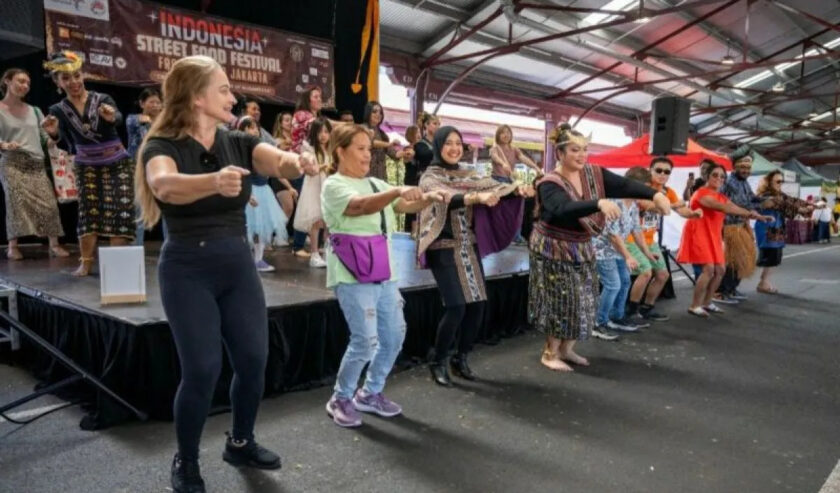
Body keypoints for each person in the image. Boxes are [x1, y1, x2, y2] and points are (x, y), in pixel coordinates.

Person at [137, 55, 310, 492]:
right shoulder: (163, 147)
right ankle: (187, 459)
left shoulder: (236, 141)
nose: (233, 96)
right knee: (202, 370)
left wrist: (297, 161)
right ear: (197, 97)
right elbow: (163, 186)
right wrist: (212, 182)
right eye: (224, 89)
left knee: (253, 361)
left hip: (235, 266)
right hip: (187, 269)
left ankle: (240, 441)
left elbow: (274, 160)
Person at [321, 124, 445, 427]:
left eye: (368, 149)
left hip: (384, 272)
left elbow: (403, 203)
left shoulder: (376, 183)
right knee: (365, 341)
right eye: (361, 148)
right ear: (340, 151)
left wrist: (429, 198)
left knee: (393, 336)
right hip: (352, 275)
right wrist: (397, 190)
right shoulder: (334, 185)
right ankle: (340, 397)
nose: (367, 155)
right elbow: (360, 207)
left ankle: (370, 392)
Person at [530, 123, 669, 372]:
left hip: (581, 247)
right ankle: (550, 352)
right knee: (560, 301)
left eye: (585, 149)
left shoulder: (593, 173)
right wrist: (599, 203)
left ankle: (566, 349)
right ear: (560, 153)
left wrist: (654, 195)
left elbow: (625, 185)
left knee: (583, 300)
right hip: (554, 249)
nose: (582, 155)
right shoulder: (549, 182)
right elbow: (561, 208)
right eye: (575, 150)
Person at [416, 126, 532, 385]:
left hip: (469, 245)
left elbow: (493, 184)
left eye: (458, 143)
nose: (455, 148)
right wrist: (475, 197)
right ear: (438, 146)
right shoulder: (430, 176)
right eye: (448, 143)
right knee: (456, 305)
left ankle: (461, 358)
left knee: (478, 304)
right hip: (442, 245)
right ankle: (438, 360)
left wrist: (517, 190)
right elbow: (447, 197)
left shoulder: (469, 173)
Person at [41, 51, 135, 276]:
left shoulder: (102, 99)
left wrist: (111, 117)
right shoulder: (57, 110)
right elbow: (63, 142)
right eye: (66, 78)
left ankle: (117, 263)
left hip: (117, 162)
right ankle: (86, 263)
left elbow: (119, 119)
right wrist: (53, 134)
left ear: (82, 75)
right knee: (88, 212)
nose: (73, 82)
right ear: (57, 82)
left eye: (76, 75)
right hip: (86, 165)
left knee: (121, 210)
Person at [678, 163, 772, 317]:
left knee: (720, 270)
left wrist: (758, 215)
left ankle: (707, 302)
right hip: (699, 233)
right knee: (708, 270)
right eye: (715, 175)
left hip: (713, 234)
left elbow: (733, 206)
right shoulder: (701, 193)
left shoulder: (721, 195)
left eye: (722, 176)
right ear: (707, 176)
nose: (719, 178)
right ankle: (694, 305)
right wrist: (750, 214)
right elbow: (725, 208)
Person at [0, 68, 67, 260]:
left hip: (36, 164)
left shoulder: (35, 111)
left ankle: (54, 244)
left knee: (49, 205)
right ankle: (13, 246)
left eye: (27, 83)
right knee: (15, 202)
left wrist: (54, 133)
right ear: (7, 81)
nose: (25, 86)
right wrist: (4, 144)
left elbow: (47, 140)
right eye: (20, 81)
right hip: (12, 162)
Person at [625, 157, 700, 323]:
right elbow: (648, 205)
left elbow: (682, 210)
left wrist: (694, 214)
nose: (662, 174)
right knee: (645, 273)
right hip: (631, 238)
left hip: (650, 240)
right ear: (650, 170)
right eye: (658, 170)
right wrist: (673, 206)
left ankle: (647, 308)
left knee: (662, 275)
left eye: (667, 172)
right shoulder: (643, 187)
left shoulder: (667, 191)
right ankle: (631, 311)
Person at [590, 166, 653, 340]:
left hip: (617, 250)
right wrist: (628, 256)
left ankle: (616, 317)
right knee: (613, 285)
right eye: (644, 186)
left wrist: (647, 253)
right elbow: (613, 234)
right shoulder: (614, 201)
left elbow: (636, 230)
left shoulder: (632, 204)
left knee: (625, 282)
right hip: (602, 250)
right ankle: (598, 323)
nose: (646, 191)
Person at [234, 116, 289, 272]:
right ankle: (243, 259)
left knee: (261, 227)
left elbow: (274, 169)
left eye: (256, 127)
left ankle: (258, 258)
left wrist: (289, 186)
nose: (255, 130)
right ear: (242, 131)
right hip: (250, 189)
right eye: (250, 127)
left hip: (264, 191)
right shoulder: (241, 151)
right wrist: (246, 193)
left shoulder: (262, 149)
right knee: (246, 227)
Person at [718, 146, 768, 303]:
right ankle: (720, 292)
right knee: (732, 261)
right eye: (743, 166)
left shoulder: (745, 183)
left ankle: (731, 289)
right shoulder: (727, 182)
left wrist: (769, 201)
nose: (746, 170)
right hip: (729, 227)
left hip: (741, 226)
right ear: (735, 166)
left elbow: (751, 199)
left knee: (741, 261)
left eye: (748, 167)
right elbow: (723, 203)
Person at [753, 170, 813, 294]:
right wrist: (803, 208)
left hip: (776, 228)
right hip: (767, 228)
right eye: (778, 181)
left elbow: (792, 202)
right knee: (770, 257)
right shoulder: (766, 195)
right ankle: (763, 283)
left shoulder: (780, 194)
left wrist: (809, 206)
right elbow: (785, 205)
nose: (780, 183)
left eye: (782, 181)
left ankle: (764, 282)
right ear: (769, 182)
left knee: (775, 258)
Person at [127, 87, 162, 245]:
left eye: (158, 102)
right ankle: (136, 249)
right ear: (142, 103)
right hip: (139, 171)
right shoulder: (133, 119)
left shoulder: (165, 121)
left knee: (168, 209)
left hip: (161, 169)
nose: (155, 105)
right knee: (139, 211)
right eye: (151, 102)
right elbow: (142, 130)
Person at [294, 118, 331, 267]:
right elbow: (311, 171)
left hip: (327, 186)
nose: (323, 135)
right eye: (320, 132)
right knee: (315, 221)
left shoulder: (330, 149)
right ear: (314, 133)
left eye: (326, 132)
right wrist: (326, 166)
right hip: (314, 186)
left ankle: (328, 252)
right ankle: (314, 254)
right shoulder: (308, 148)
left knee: (328, 221)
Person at [403, 112, 440, 233]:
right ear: (426, 126)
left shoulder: (437, 144)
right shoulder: (419, 145)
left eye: (438, 124)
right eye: (435, 123)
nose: (438, 126)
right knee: (418, 210)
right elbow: (424, 155)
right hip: (421, 182)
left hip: (435, 181)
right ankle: (415, 235)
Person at [363, 101, 412, 181]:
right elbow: (371, 142)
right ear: (368, 113)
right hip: (366, 174)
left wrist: (404, 153)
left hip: (381, 176)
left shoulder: (382, 133)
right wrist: (389, 144)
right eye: (374, 111)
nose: (378, 114)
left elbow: (393, 154)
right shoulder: (362, 128)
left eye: (380, 112)